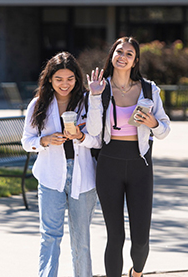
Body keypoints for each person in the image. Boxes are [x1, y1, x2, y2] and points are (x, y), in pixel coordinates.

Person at [86, 37, 171, 277]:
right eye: (119, 51)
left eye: (129, 54)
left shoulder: (148, 89)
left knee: (141, 241)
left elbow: (164, 130)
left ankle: (137, 272)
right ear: (112, 55)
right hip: (109, 165)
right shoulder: (99, 88)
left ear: (135, 61)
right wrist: (93, 96)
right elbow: (92, 131)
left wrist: (153, 123)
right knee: (115, 236)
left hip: (140, 166)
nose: (123, 56)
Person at [22, 52, 100, 277]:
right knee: (50, 236)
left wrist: (80, 137)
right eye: (59, 79)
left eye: (70, 79)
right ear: (49, 79)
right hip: (50, 178)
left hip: (83, 178)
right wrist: (45, 141)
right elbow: (27, 141)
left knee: (81, 240)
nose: (64, 84)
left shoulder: (87, 102)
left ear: (77, 78)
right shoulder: (38, 104)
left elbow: (98, 138)